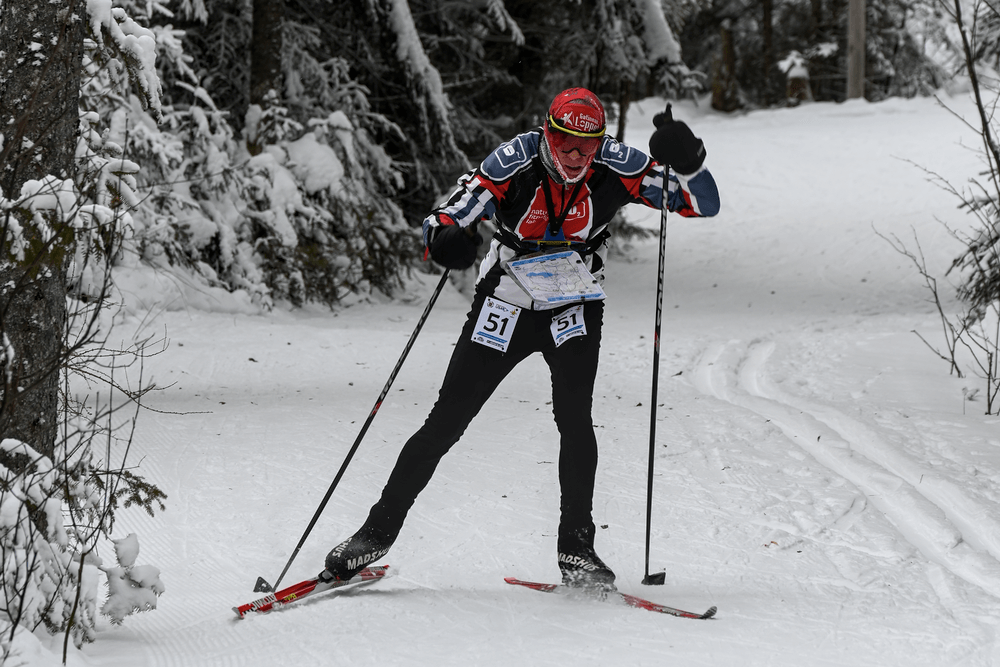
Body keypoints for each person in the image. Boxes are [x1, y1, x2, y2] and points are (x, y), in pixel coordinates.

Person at [323, 88, 720, 590]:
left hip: (572, 303)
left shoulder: (617, 164)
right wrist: (447, 240)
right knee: (447, 420)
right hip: (506, 301)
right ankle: (373, 536)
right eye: (565, 143)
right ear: (547, 132)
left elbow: (703, 204)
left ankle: (577, 550)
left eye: (588, 146)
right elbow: (443, 218)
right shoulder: (514, 160)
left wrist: (692, 160)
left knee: (575, 422)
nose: (576, 157)